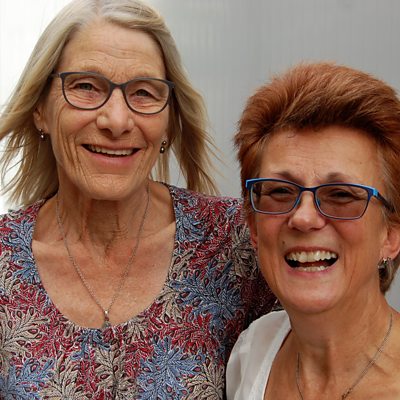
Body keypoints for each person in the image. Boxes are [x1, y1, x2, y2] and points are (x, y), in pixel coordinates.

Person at [0, 1, 275, 398]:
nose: (116, 120)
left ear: (169, 121)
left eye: (144, 92)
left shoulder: (236, 246)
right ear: (41, 108)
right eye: (86, 87)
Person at [226, 62, 400, 399]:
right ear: (253, 225)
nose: (304, 218)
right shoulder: (253, 353)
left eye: (342, 195)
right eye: (280, 191)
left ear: (391, 235)